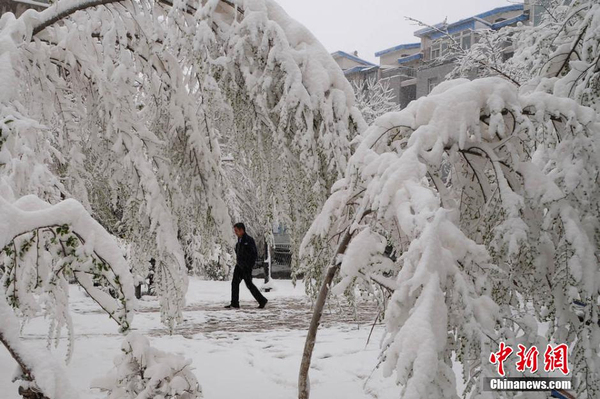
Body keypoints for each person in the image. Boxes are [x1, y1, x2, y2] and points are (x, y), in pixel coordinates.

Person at [225, 223, 268, 309]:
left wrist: (249, 265)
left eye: (236, 231)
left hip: (246, 267)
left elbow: (254, 254)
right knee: (234, 283)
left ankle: (262, 300)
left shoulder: (248, 240)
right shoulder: (240, 240)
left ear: (242, 230)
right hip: (239, 266)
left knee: (249, 284)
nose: (235, 233)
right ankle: (234, 303)